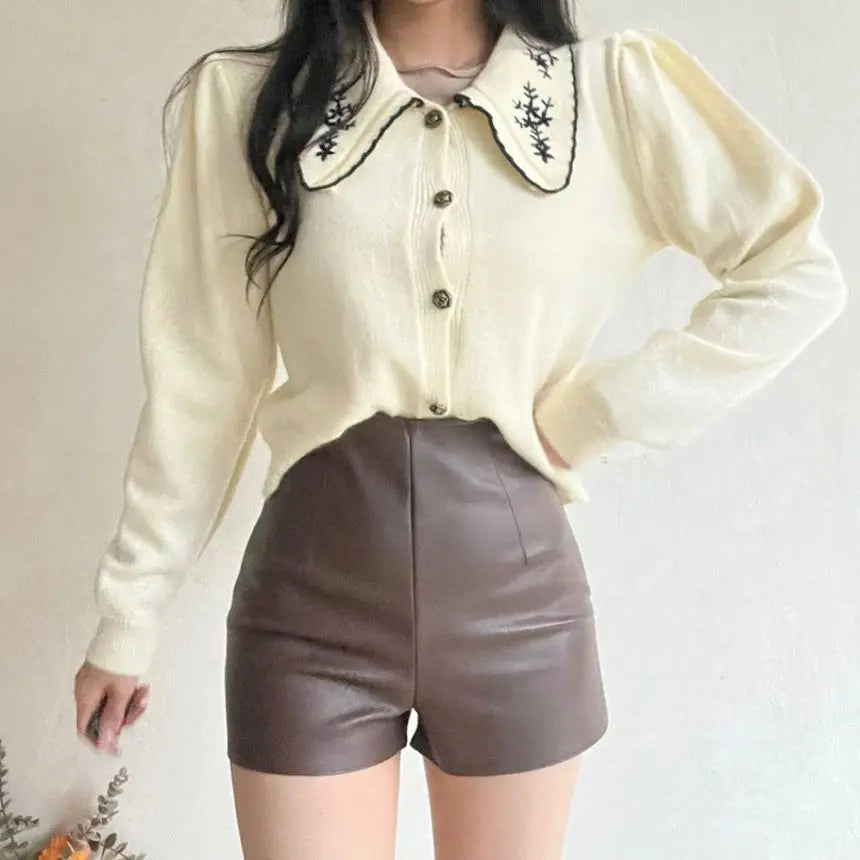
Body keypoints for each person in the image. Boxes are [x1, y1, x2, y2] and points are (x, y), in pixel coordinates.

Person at [73, 0, 847, 856]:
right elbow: (202, 383)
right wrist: (129, 617)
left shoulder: (614, 94)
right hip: (306, 609)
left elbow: (795, 272)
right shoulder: (248, 102)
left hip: (519, 609)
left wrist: (594, 415)